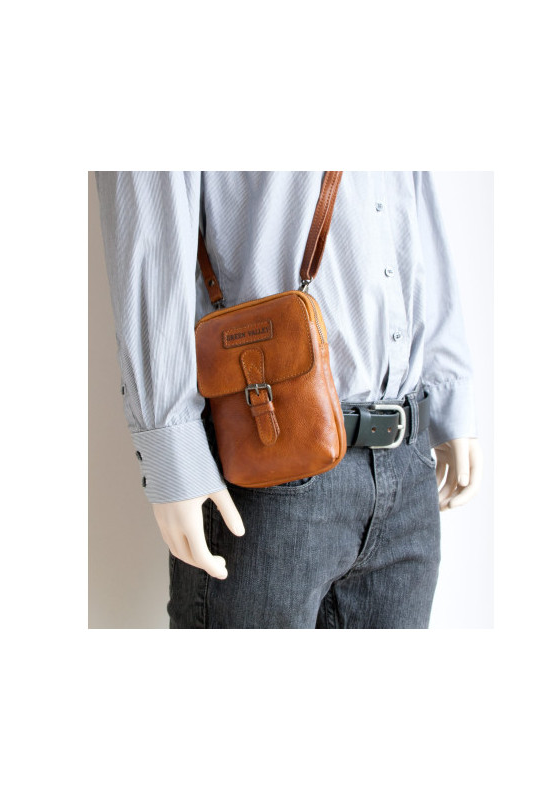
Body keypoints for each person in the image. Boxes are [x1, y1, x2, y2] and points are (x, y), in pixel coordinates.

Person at [95, 171, 482, 629]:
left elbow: (420, 219)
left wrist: (449, 390)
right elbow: (148, 231)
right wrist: (172, 452)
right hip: (271, 459)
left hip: (409, 461)